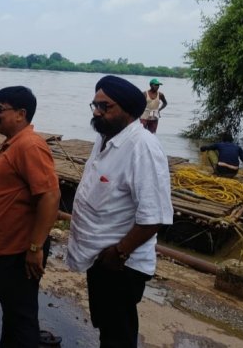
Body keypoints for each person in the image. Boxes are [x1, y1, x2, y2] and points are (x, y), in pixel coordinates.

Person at [68, 75, 173, 348]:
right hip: (100, 257)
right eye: (95, 105)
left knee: (119, 334)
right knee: (107, 325)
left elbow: (156, 216)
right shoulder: (105, 137)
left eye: (105, 106)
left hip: (120, 263)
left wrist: (119, 253)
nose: (97, 112)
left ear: (128, 110)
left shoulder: (142, 147)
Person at [0, 86, 61, 348]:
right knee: (13, 308)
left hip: (19, 248)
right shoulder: (15, 143)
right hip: (7, 247)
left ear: (21, 114)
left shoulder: (30, 145)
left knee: (21, 314)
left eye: (0, 109)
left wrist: (35, 247)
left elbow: (50, 196)